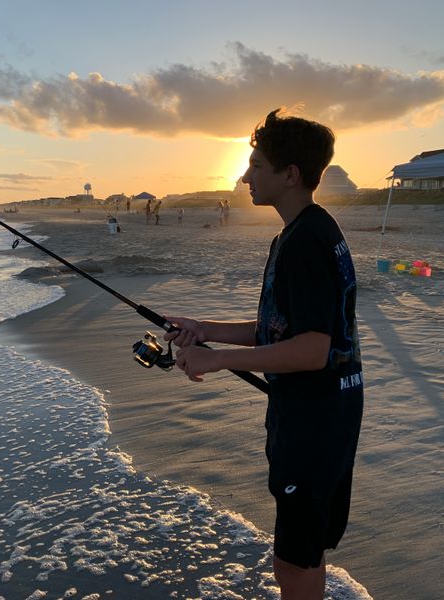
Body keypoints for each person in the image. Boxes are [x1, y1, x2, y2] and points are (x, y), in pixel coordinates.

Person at [164, 108, 363, 600]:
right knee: (301, 555)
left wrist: (216, 359)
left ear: (290, 174)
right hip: (322, 413)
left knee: (293, 564)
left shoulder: (305, 242)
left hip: (314, 423)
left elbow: (313, 351)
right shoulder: (303, 232)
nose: (244, 176)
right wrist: (204, 329)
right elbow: (281, 331)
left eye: (255, 165)